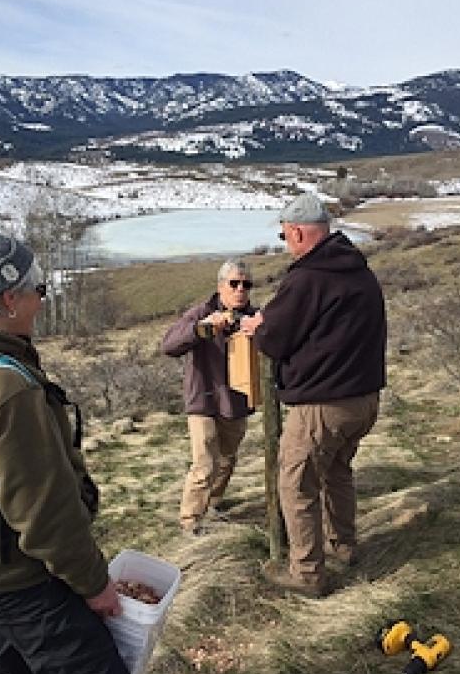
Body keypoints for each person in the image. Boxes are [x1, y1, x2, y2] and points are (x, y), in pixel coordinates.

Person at [0, 227, 137, 674]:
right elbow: (45, 516)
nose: (42, 300)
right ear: (8, 298)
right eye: (37, 289)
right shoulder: (5, 390)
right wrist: (94, 584)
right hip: (22, 580)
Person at [241, 193, 386, 597]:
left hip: (324, 404)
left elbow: (276, 337)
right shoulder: (358, 270)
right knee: (337, 471)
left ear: (300, 232)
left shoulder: (308, 277)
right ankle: (342, 547)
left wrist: (257, 329)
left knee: (296, 483)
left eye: (286, 235)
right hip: (365, 399)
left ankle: (306, 573)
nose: (286, 243)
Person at [162, 260, 257, 535]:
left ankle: (213, 504)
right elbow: (169, 345)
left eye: (246, 284)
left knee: (227, 459)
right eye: (234, 283)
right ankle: (190, 522)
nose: (240, 289)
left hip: (237, 401)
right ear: (221, 286)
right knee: (204, 464)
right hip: (203, 399)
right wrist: (200, 329)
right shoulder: (201, 313)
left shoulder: (253, 316)